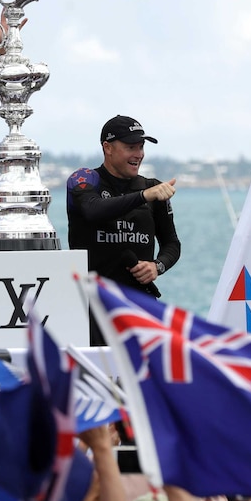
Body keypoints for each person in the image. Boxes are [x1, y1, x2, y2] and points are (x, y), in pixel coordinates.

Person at [66, 114, 180, 344]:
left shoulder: (152, 188)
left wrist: (157, 266)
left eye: (141, 147)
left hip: (138, 304)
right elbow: (93, 210)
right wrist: (142, 197)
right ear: (107, 147)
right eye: (130, 147)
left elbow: (171, 243)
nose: (138, 154)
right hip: (93, 305)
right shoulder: (86, 179)